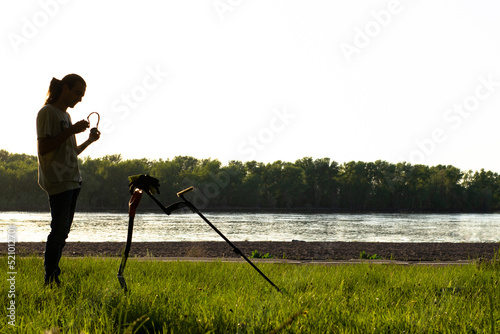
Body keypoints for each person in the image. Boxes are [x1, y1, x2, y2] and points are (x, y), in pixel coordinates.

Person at [36, 74, 100, 286]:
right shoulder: (48, 113)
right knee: (59, 231)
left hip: (73, 181)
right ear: (65, 88)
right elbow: (44, 148)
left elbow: (71, 152)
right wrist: (71, 130)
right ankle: (51, 277)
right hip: (59, 182)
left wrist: (89, 141)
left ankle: (53, 276)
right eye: (77, 93)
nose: (80, 99)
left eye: (82, 95)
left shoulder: (65, 116)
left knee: (63, 232)